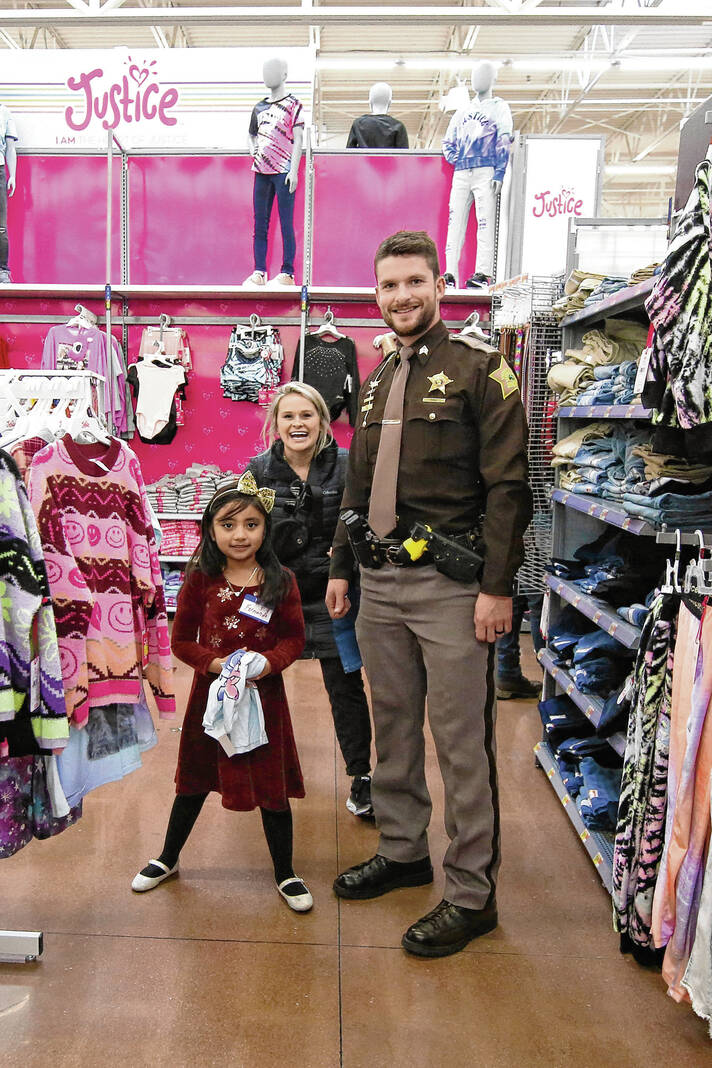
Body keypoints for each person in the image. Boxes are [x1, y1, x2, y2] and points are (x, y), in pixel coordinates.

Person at [326, 230, 532, 957]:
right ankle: (404, 849)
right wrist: (342, 567)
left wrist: (497, 588)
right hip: (378, 582)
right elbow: (358, 484)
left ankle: (472, 893)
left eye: (414, 281)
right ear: (377, 294)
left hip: (452, 587)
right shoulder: (379, 376)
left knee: (461, 741)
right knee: (393, 728)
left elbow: (510, 486)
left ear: (439, 286)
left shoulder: (481, 368)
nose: (401, 296)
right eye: (389, 285)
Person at [132, 471, 313, 913]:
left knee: (270, 782)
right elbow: (181, 641)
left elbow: (294, 638)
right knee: (195, 778)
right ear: (211, 530)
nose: (240, 535)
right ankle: (168, 857)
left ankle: (286, 871)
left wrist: (267, 663)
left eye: (251, 524)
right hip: (210, 697)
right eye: (228, 525)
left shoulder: (282, 580)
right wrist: (218, 666)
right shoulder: (200, 579)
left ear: (266, 528)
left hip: (264, 699)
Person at [248, 382, 374, 817]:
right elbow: (244, 530)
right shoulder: (259, 471)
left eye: (307, 415)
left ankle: (361, 777)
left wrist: (346, 565)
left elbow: (364, 523)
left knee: (344, 684)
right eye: (288, 416)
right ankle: (259, 768)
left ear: (322, 420)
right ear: (275, 423)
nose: (298, 424)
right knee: (260, 681)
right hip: (275, 594)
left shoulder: (348, 465)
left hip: (335, 592)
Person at [0, 102, 18, 284]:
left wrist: (12, 175)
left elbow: (10, 148)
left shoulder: (4, 113)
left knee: (0, 225)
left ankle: (3, 270)